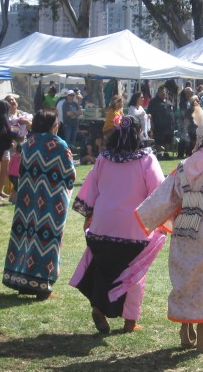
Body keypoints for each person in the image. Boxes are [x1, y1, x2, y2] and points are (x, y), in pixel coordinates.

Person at [136, 105, 203, 352]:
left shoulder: (182, 167)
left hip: (184, 229)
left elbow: (163, 198)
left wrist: (148, 218)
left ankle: (186, 333)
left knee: (185, 279)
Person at [70, 114, 164, 333]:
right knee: (134, 274)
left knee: (101, 268)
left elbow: (92, 189)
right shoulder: (146, 159)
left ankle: (98, 308)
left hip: (103, 225)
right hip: (134, 228)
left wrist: (89, 218)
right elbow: (158, 193)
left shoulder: (103, 158)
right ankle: (130, 322)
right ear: (139, 133)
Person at [2, 109, 76, 300]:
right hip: (52, 203)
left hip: (27, 199)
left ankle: (21, 280)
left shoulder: (28, 144)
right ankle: (42, 285)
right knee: (47, 238)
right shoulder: (59, 145)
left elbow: (22, 170)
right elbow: (70, 174)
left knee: (25, 235)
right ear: (53, 125)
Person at [0, 100, 18, 201]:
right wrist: (17, 126)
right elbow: (12, 130)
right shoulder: (4, 117)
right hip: (3, 148)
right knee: (2, 171)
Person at [147, 86, 175, 159]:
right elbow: (149, 113)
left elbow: (171, 112)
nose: (164, 94)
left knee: (168, 139)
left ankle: (166, 153)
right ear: (158, 92)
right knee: (158, 139)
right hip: (158, 124)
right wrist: (151, 123)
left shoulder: (168, 101)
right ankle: (159, 154)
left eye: (165, 92)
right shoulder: (153, 102)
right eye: (162, 92)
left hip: (169, 125)